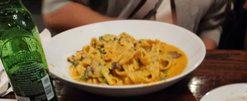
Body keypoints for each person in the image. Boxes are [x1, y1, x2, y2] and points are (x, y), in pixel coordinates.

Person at [42, 0, 229, 49]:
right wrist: (124, 31)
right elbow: (55, 10)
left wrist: (195, 55)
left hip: (176, 84)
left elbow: (212, 26)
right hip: (102, 80)